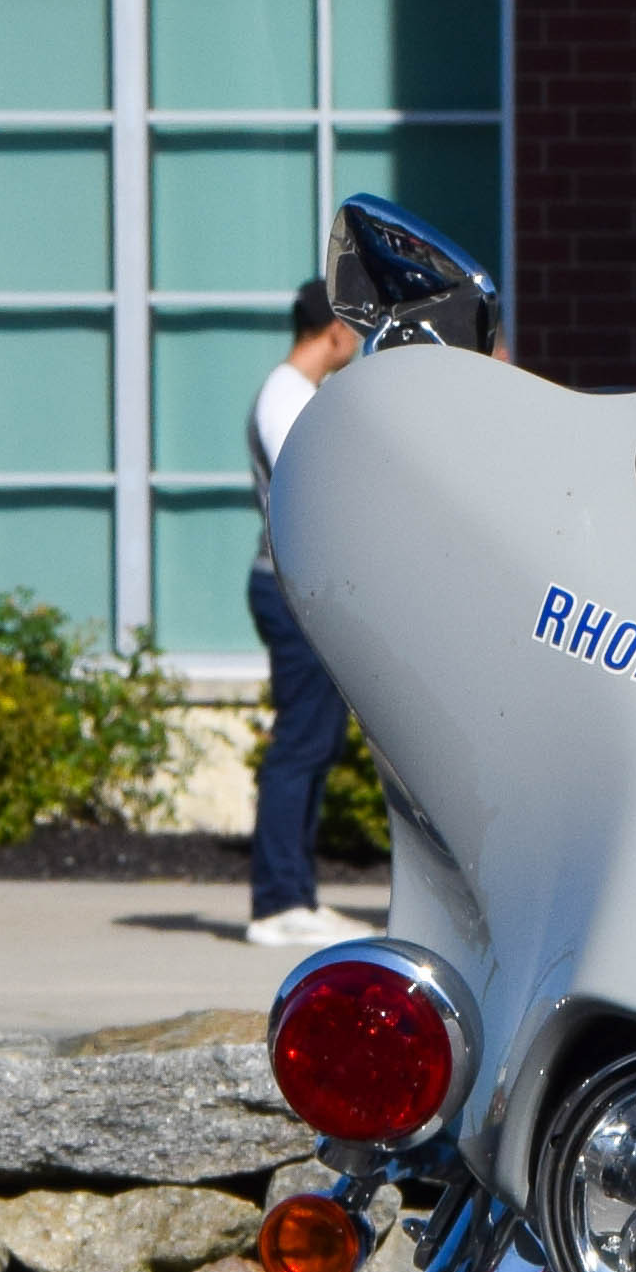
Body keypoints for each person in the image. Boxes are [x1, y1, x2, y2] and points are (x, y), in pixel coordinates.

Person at [242, 279, 366, 950]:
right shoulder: (286, 397)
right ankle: (276, 901)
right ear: (334, 331)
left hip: (299, 588)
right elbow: (311, 489)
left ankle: (296, 894)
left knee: (317, 740)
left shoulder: (299, 395)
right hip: (289, 588)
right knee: (301, 741)